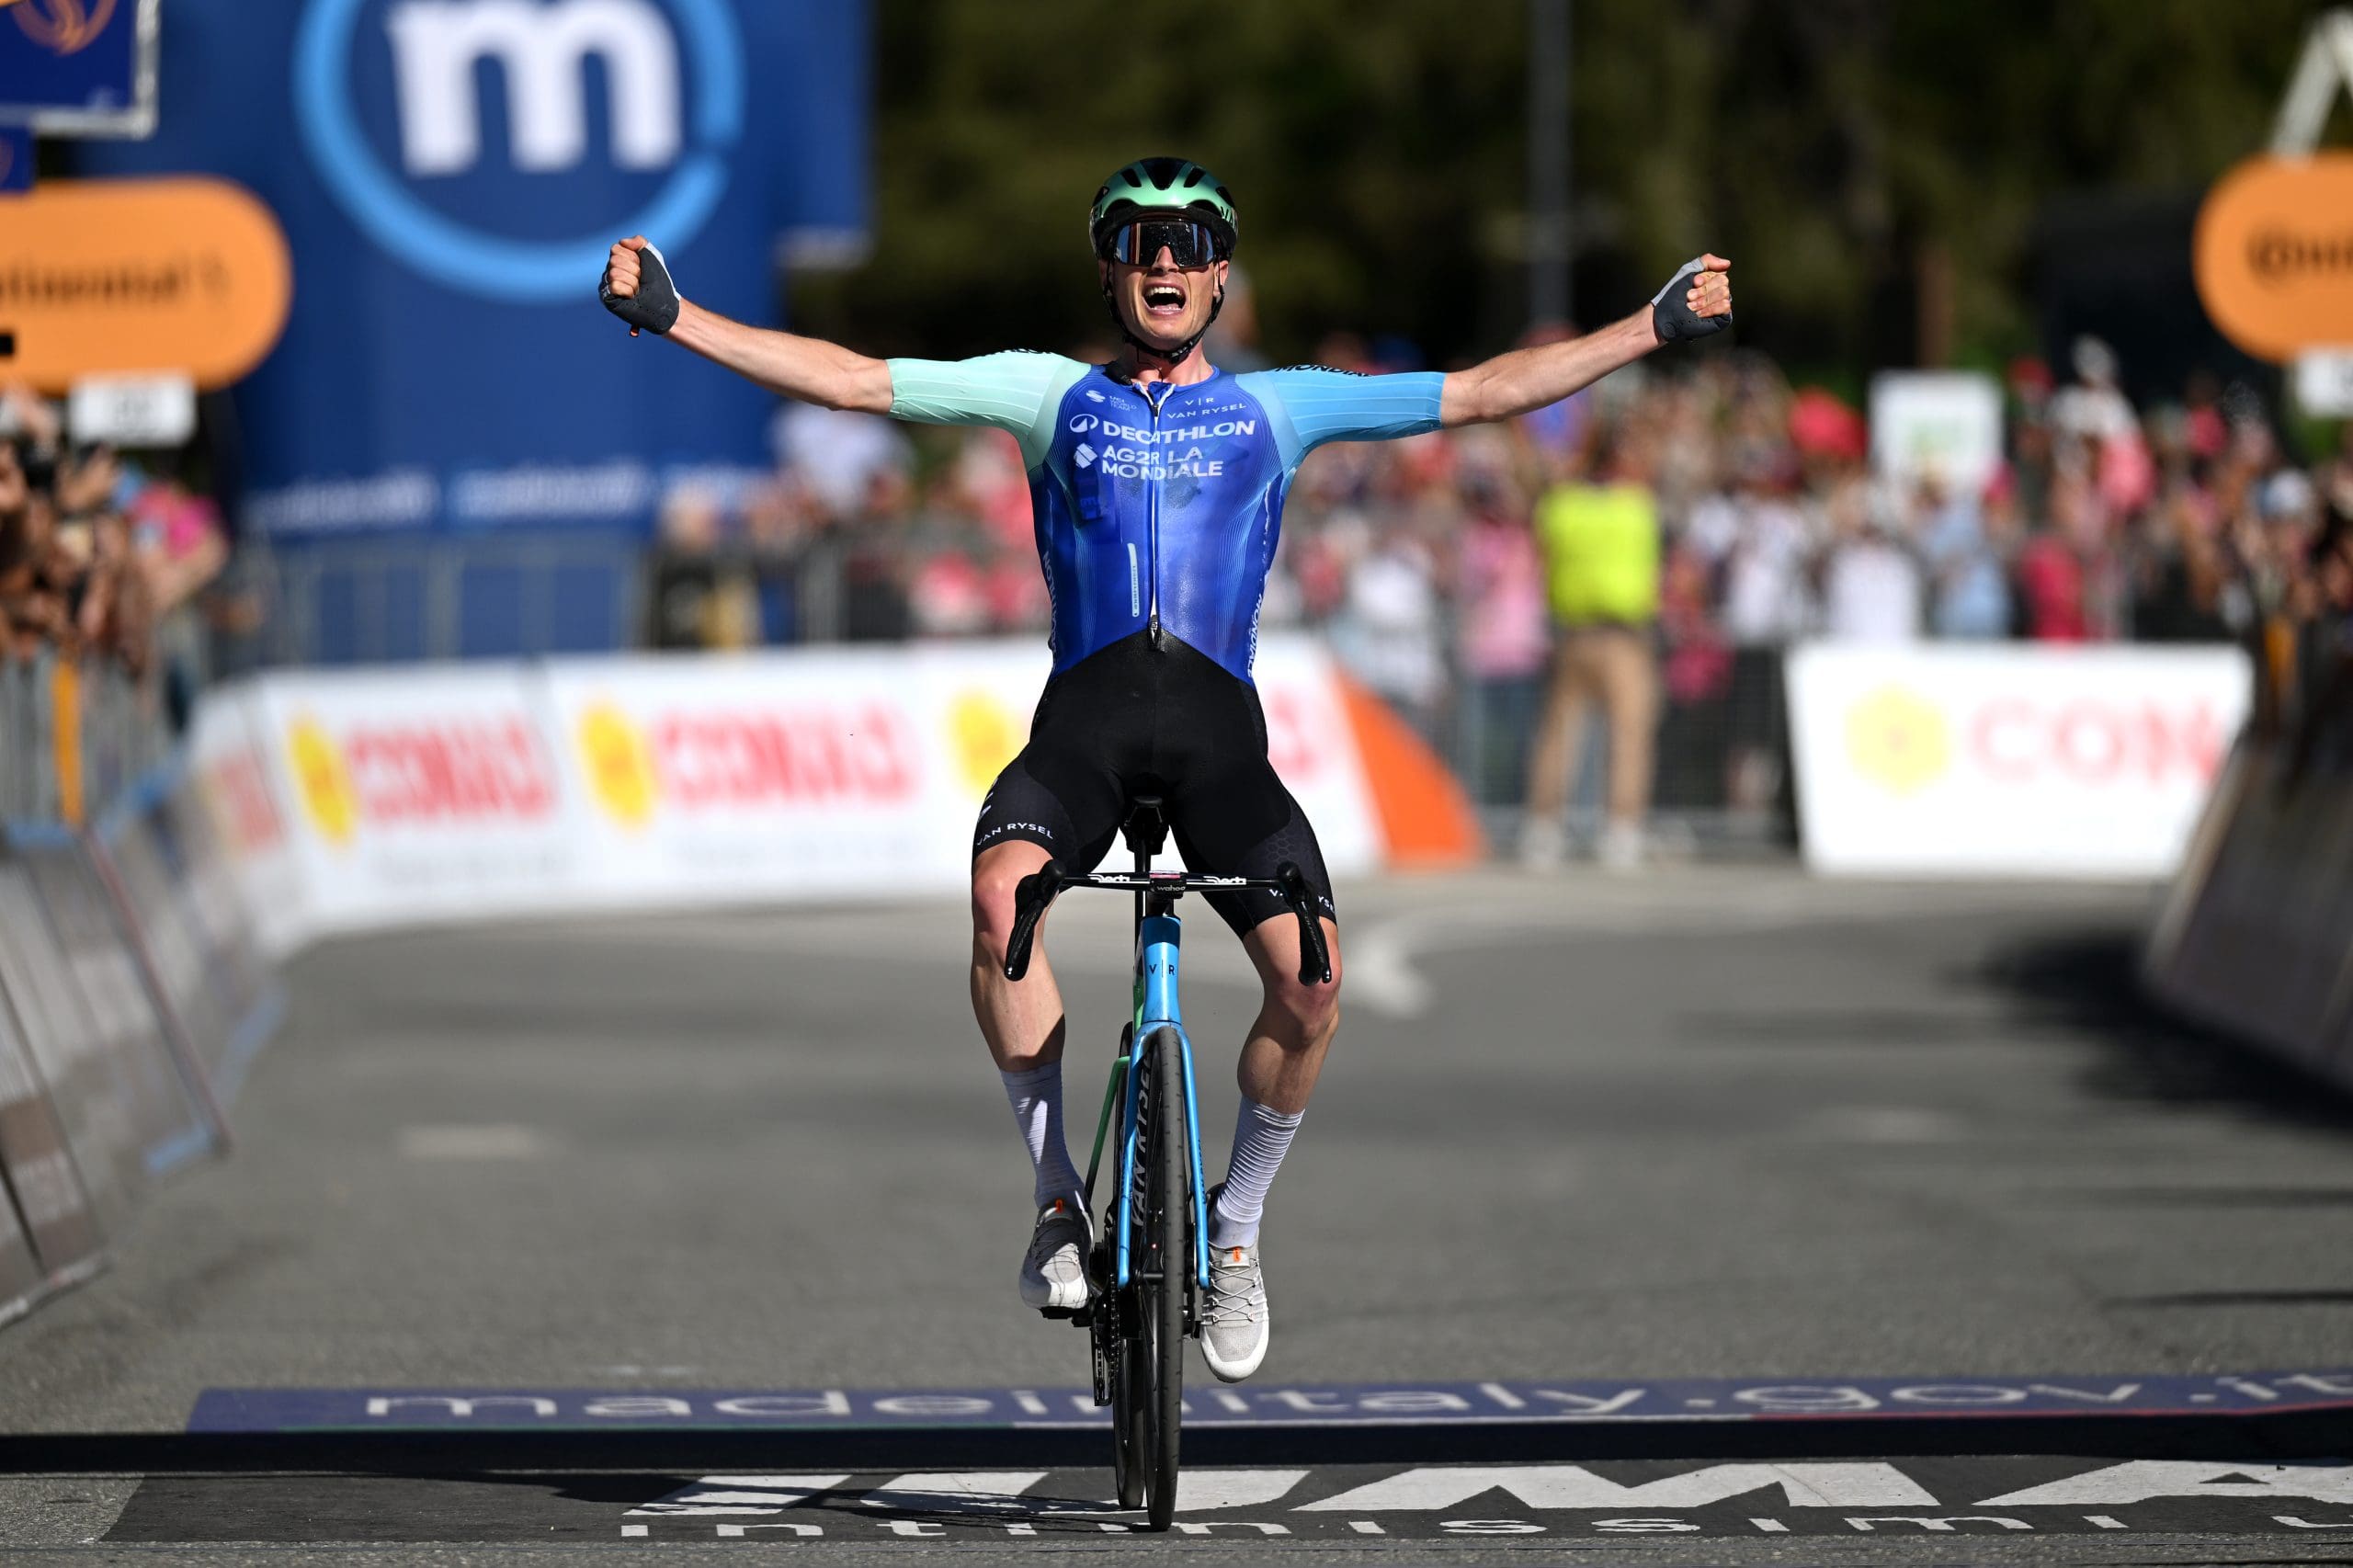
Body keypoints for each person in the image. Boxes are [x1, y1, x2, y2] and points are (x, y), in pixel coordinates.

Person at [600, 157, 1732, 1381]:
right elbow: (852, 378)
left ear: (1222, 273)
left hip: (1218, 748)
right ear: (1109, 268)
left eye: (1191, 240)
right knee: (998, 901)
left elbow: (1483, 392)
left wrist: (1649, 325)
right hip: (1080, 738)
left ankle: (1235, 1228)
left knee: (1314, 983)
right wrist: (678, 314)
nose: (1164, 260)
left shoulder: (1278, 406)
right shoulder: (1048, 392)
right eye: (1138, 241)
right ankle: (1055, 1199)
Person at [1519, 424, 1662, 871]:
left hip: (1574, 633)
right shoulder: (1637, 507)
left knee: (1560, 734)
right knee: (1629, 736)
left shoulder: (1562, 506)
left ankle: (1543, 828)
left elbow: (1544, 549)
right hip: (1623, 636)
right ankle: (1622, 830)